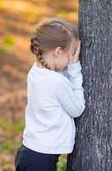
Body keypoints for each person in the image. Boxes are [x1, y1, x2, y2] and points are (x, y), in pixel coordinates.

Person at [14, 18, 86, 171]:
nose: (72, 59)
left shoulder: (35, 72)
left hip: (30, 153)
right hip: (40, 160)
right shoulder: (56, 83)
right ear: (58, 51)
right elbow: (77, 109)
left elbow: (58, 76)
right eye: (71, 54)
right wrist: (75, 70)